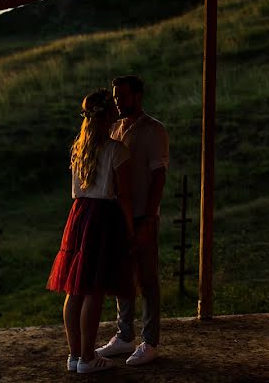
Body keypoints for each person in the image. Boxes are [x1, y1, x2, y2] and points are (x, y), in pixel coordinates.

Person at [47, 89, 134, 374]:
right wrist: (131, 226)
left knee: (75, 289)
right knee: (94, 289)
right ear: (109, 116)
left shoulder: (79, 147)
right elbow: (123, 195)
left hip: (79, 215)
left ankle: (75, 356)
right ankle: (87, 358)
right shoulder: (116, 150)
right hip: (103, 217)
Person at [96, 75, 169, 366]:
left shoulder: (154, 130)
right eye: (115, 97)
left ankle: (150, 341)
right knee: (122, 276)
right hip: (119, 213)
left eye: (122, 96)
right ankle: (124, 335)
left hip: (142, 213)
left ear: (138, 96)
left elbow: (159, 177)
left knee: (147, 278)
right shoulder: (113, 128)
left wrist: (149, 218)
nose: (117, 101)